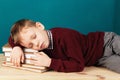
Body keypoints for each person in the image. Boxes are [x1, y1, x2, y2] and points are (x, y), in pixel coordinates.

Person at [8, 19, 120, 73]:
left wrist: (50, 62)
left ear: (40, 26)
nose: (36, 44)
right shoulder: (42, 46)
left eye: (34, 37)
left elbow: (78, 65)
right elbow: (14, 39)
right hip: (99, 58)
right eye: (30, 45)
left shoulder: (64, 37)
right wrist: (16, 47)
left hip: (106, 41)